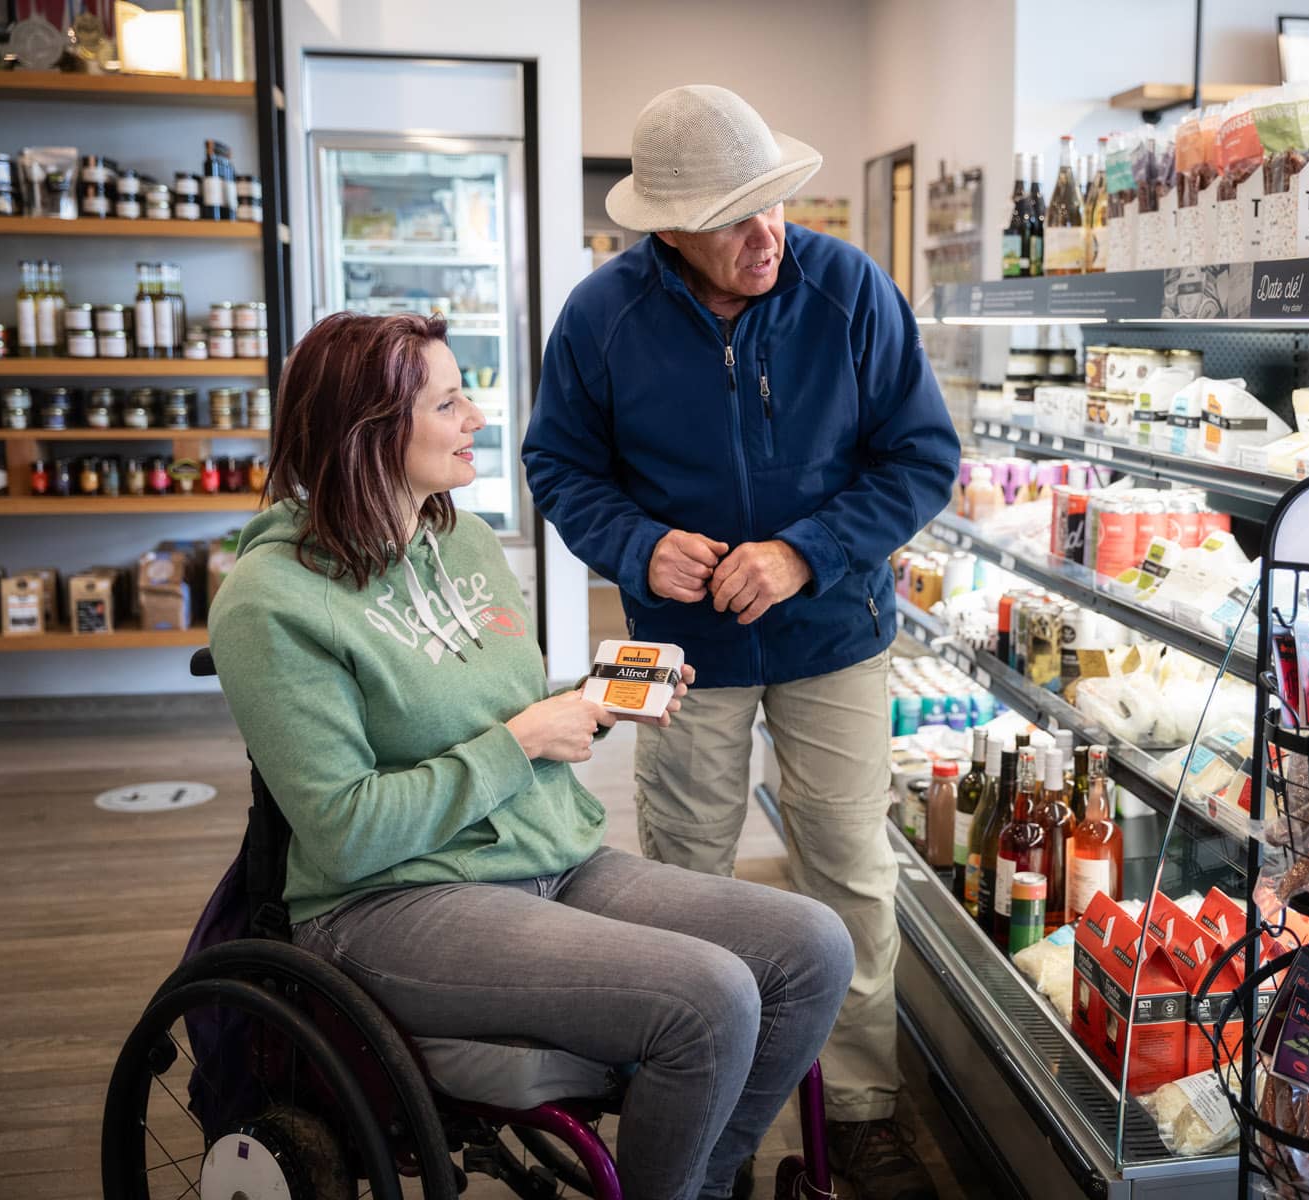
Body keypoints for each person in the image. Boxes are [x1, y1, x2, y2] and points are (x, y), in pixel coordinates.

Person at [209, 312, 854, 1200]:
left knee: (814, 943)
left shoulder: (459, 540)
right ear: (369, 431)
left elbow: (488, 704)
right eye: (448, 401)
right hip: (394, 903)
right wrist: (520, 744)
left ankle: (698, 1184)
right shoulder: (269, 603)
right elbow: (346, 831)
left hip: (548, 854)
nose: (477, 417)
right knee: (709, 998)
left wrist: (589, 699)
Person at [524, 85, 959, 1200]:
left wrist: (805, 552)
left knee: (850, 875)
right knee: (682, 883)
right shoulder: (599, 317)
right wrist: (634, 544)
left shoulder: (849, 287)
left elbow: (918, 459)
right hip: (681, 650)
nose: (766, 232)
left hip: (838, 634)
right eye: (731, 217)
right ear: (664, 229)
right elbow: (559, 467)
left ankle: (858, 1108)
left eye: (772, 202)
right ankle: (693, 1104)